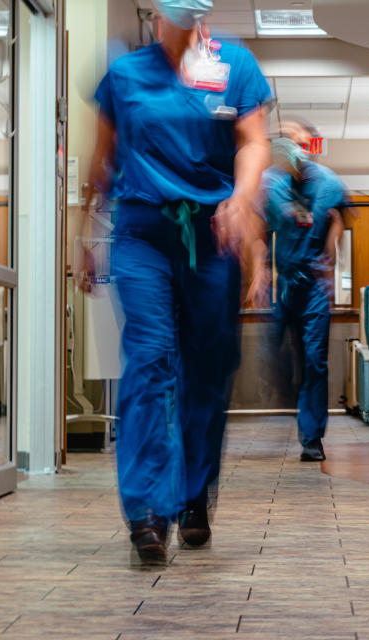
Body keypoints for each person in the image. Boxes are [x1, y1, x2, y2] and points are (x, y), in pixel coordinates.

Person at [77, 0, 272, 564]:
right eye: (178, 18)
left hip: (213, 238)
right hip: (142, 233)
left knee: (207, 370)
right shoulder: (126, 74)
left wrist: (240, 199)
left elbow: (254, 142)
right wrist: (82, 233)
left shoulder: (234, 65)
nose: (190, 29)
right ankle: (146, 509)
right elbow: (103, 161)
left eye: (197, 19)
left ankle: (192, 497)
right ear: (156, 14)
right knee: (151, 358)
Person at [261, 119, 348, 462]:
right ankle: (286, 390)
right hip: (285, 286)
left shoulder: (328, 182)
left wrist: (332, 242)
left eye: (294, 136)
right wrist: (259, 271)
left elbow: (339, 217)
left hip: (315, 285)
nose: (288, 141)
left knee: (314, 360)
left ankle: (312, 438)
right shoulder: (270, 185)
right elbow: (257, 227)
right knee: (275, 355)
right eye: (282, 136)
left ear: (309, 143)